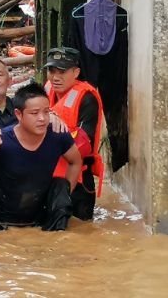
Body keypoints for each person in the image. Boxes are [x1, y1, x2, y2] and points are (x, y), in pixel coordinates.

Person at [0, 83, 82, 232]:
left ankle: (54, 231)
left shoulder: (58, 135)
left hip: (39, 215)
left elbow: (75, 162)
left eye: (46, 112)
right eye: (34, 113)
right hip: (1, 217)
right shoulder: (0, 140)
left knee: (61, 186)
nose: (42, 119)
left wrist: (65, 196)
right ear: (18, 114)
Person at [43, 47, 104, 221]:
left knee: (82, 234)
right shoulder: (46, 91)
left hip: (78, 180)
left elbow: (84, 145)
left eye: (62, 71)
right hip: (49, 175)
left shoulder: (86, 99)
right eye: (51, 70)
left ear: (76, 72)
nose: (55, 77)